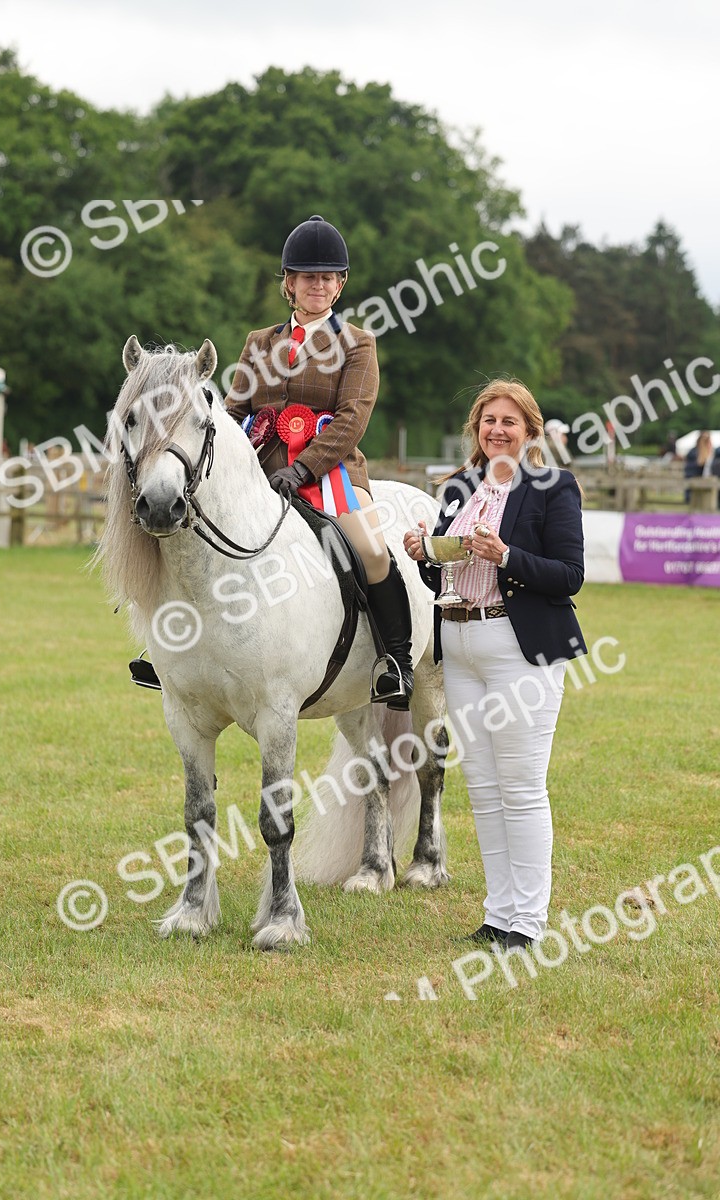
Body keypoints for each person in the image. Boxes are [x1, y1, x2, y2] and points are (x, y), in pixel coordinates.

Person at [403, 379, 586, 951]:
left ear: (529, 430)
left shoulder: (553, 487)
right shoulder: (458, 488)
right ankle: (497, 912)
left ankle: (527, 922)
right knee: (482, 786)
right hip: (458, 647)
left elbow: (568, 575)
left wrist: (507, 556)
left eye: (509, 420)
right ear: (475, 430)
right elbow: (444, 572)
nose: (497, 429)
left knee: (522, 787)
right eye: (488, 420)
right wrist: (424, 553)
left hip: (518, 647)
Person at [224, 214, 414, 708]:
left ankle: (395, 662)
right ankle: (171, 656)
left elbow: (352, 420)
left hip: (331, 477)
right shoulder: (258, 343)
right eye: (309, 276)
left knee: (371, 551)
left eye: (328, 277)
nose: (319, 284)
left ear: (340, 284)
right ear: (289, 283)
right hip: (259, 476)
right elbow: (234, 412)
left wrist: (304, 467)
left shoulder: (357, 344)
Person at [684, 430, 720, 507]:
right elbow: (691, 472)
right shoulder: (693, 453)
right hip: (697, 486)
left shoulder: (713, 453)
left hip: (710, 483)